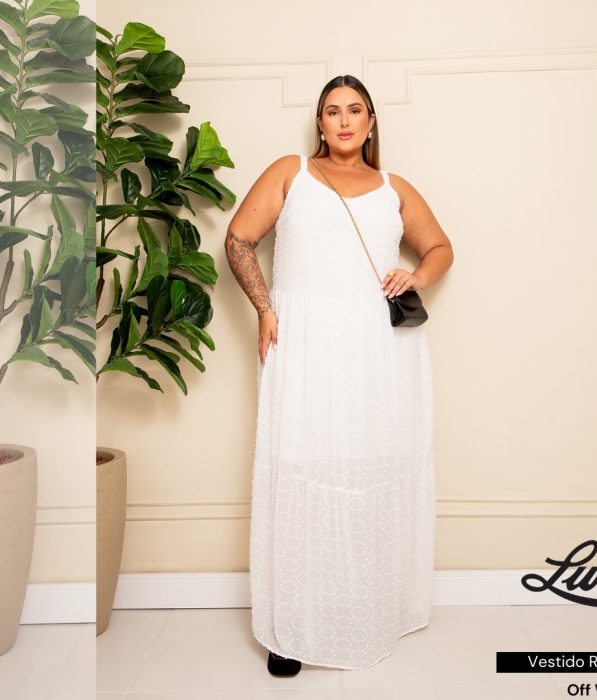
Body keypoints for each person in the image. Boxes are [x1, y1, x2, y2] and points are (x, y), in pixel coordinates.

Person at [224, 75, 453, 675]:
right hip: (305, 342)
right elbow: (239, 239)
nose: (345, 121)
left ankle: (372, 608)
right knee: (301, 470)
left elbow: (440, 249)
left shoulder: (394, 188)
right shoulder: (292, 172)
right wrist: (265, 308)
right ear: (320, 123)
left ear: (371, 122)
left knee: (371, 472)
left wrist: (416, 276)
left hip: (379, 350)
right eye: (333, 111)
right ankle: (290, 627)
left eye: (356, 110)